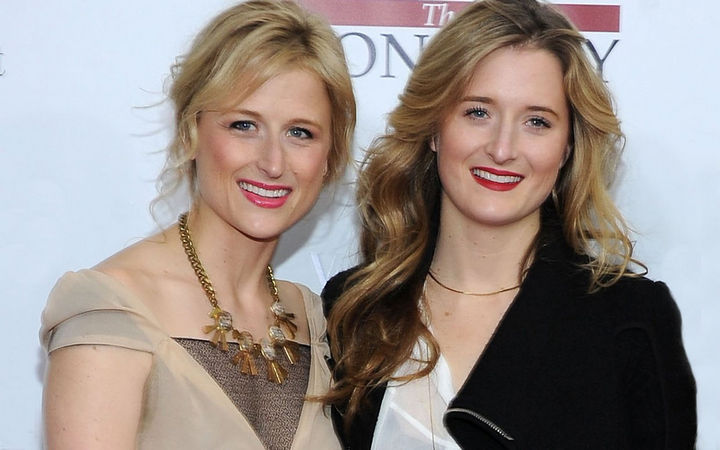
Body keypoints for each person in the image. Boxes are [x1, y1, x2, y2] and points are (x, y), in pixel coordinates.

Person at [321, 0, 696, 448]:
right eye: (478, 112)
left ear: (567, 148)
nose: (502, 149)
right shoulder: (354, 308)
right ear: (435, 128)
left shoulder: (630, 320)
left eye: (537, 122)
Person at [40, 1, 355, 448]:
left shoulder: (313, 318)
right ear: (191, 132)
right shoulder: (112, 306)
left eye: (300, 132)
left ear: (329, 157)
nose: (272, 162)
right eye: (244, 125)